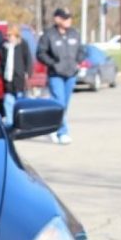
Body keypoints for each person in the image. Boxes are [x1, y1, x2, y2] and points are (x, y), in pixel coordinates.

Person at [37, 8, 85, 145]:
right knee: (59, 102)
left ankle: (53, 125)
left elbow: (81, 50)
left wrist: (79, 61)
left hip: (71, 74)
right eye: (64, 18)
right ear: (57, 19)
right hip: (55, 75)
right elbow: (41, 53)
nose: (68, 20)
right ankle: (62, 132)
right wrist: (52, 64)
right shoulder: (49, 35)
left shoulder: (74, 34)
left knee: (65, 104)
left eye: (69, 18)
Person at [0, 24, 32, 127]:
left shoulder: (23, 45)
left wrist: (27, 73)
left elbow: (28, 60)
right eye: (7, 36)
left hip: (19, 77)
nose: (8, 38)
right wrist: (0, 72)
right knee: (8, 100)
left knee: (20, 100)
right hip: (8, 78)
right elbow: (1, 61)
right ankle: (9, 122)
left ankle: (21, 122)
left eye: (10, 35)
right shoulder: (4, 46)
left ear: (16, 36)